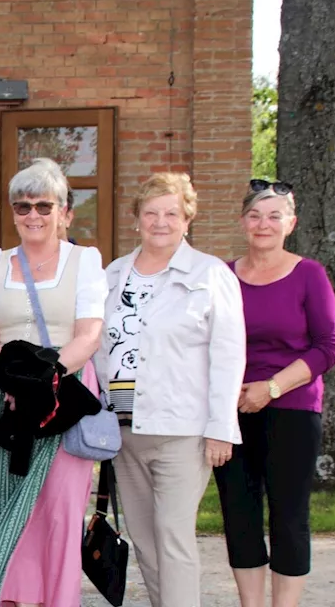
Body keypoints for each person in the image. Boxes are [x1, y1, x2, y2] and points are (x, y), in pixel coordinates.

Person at [0, 158, 107, 607]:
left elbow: (88, 335)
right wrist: (14, 384)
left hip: (64, 399)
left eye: (43, 205)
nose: (33, 216)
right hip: (2, 398)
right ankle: (2, 598)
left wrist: (44, 383)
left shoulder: (86, 261)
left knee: (57, 509)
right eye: (22, 207)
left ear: (64, 213)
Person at [94, 172, 246, 607]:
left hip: (182, 430)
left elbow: (229, 355)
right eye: (151, 213)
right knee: (145, 541)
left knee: (173, 538)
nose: (161, 222)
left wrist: (222, 427)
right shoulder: (113, 274)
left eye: (172, 213)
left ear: (187, 219)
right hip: (123, 430)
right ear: (137, 219)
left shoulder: (211, 274)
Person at [214, 180, 335, 607]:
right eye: (254, 215)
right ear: (243, 222)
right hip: (230, 413)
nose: (263, 224)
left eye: (274, 216)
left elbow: (329, 347)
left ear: (291, 223)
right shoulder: (223, 276)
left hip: (291, 409)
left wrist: (270, 388)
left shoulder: (309, 274)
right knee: (239, 515)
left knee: (289, 518)